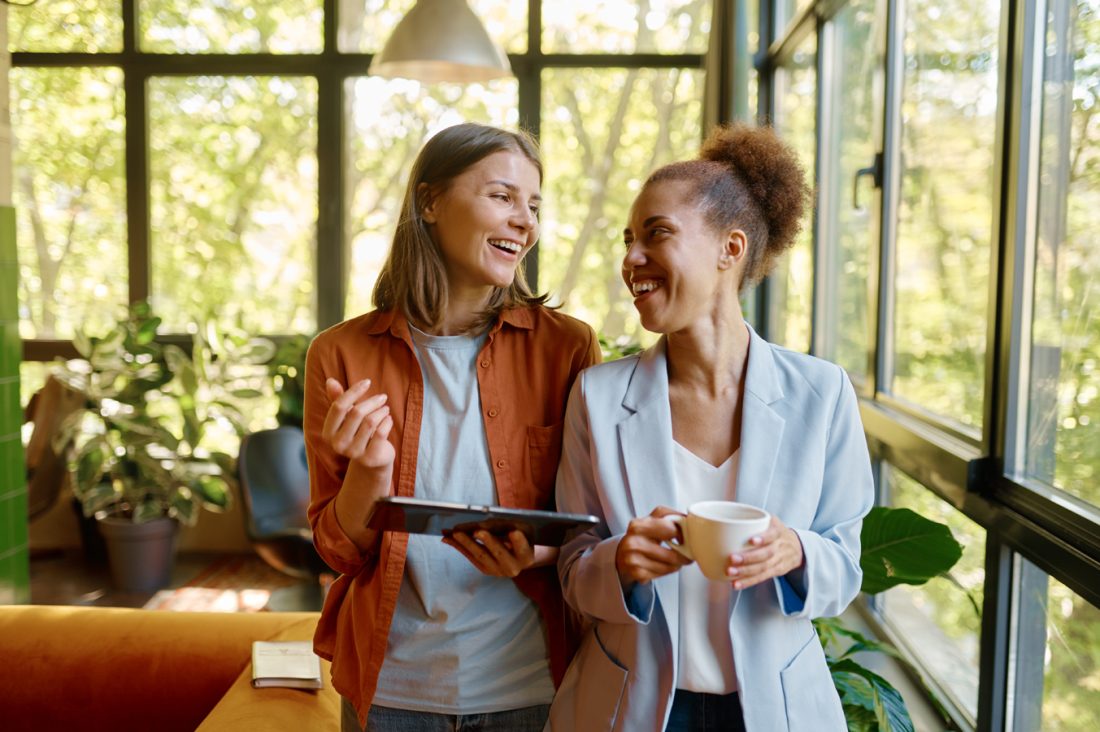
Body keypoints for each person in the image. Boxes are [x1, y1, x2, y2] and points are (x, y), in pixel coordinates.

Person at [547, 123, 875, 731]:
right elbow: (573, 567)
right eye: (627, 241)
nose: (631, 259)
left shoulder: (821, 393)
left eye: (657, 234)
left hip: (773, 710)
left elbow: (844, 568)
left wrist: (795, 550)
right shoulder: (597, 395)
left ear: (731, 248)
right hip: (634, 707)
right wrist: (620, 561)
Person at [303, 122, 601, 732]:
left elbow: (595, 523)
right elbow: (336, 551)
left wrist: (535, 553)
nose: (526, 221)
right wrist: (370, 472)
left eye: (534, 205)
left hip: (530, 684)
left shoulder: (567, 348)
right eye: (502, 196)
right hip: (391, 692)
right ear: (430, 201)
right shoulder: (338, 355)